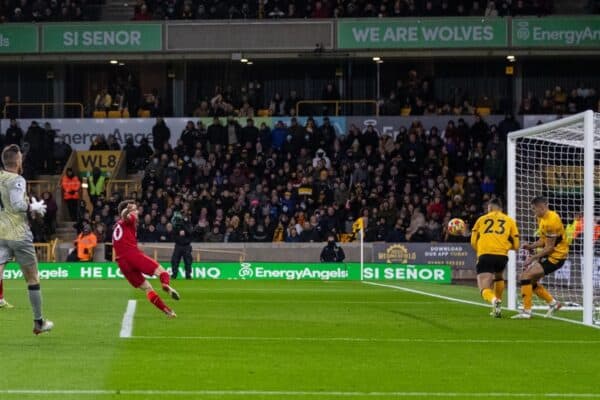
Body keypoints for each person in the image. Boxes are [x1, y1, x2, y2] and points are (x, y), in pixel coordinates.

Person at [0, 144, 52, 334]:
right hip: (19, 234)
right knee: (32, 278)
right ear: (18, 160)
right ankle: (39, 323)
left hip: (0, 233)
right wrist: (32, 206)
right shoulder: (17, 179)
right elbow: (16, 205)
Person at [112, 200, 179, 317]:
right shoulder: (129, 219)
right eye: (135, 209)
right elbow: (125, 215)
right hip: (132, 255)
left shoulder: (118, 225)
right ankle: (165, 284)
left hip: (122, 263)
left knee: (147, 288)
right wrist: (127, 211)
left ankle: (167, 311)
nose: (137, 211)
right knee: (162, 272)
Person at [512, 196, 568, 319]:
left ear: (541, 207)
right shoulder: (541, 218)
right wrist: (531, 246)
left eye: (534, 209)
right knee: (530, 281)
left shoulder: (552, 220)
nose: (533, 211)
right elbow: (543, 240)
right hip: (550, 255)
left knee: (525, 276)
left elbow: (549, 247)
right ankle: (553, 303)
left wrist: (532, 258)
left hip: (557, 257)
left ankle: (527, 312)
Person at [470, 198, 519, 318]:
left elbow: (473, 241)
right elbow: (517, 245)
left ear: (490, 208)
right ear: (501, 208)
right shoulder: (510, 221)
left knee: (484, 288)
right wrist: (505, 247)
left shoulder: (481, 219)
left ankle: (494, 300)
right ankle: (497, 308)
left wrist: (480, 251)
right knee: (499, 276)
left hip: (485, 255)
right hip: (502, 256)